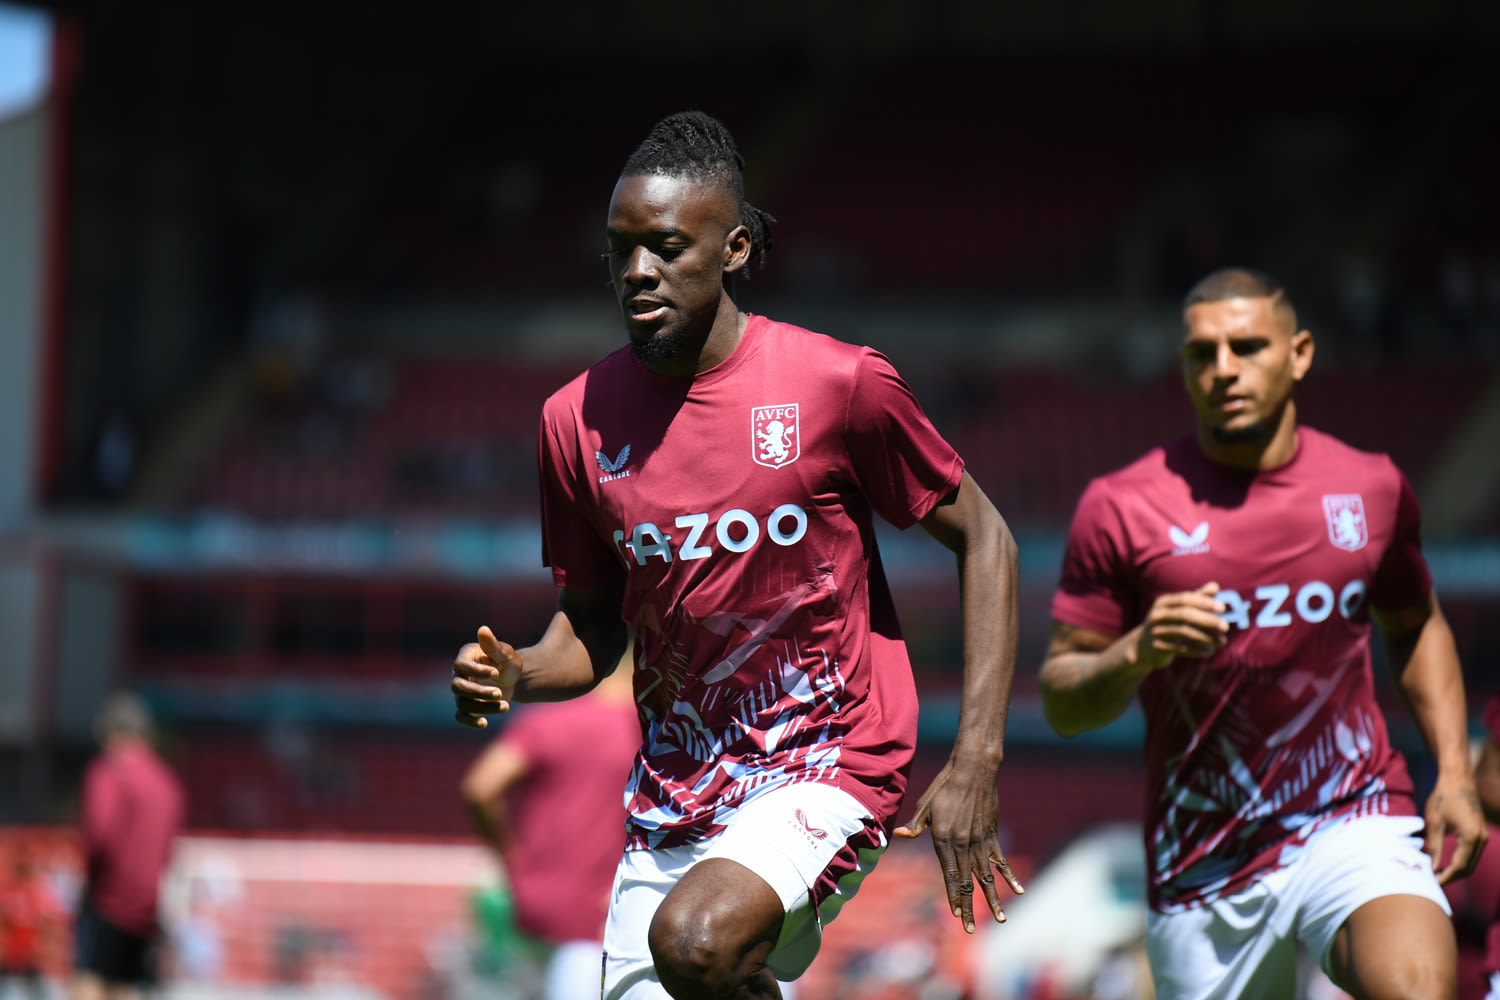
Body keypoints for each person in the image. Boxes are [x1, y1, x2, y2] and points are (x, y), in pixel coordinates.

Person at [450, 110, 1024, 1000]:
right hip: (675, 792)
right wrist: (519, 672)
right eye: (621, 249)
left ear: (738, 248)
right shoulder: (573, 422)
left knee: (694, 943)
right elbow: (594, 630)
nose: (639, 272)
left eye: (668, 247)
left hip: (830, 759)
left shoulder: (839, 386)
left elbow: (985, 537)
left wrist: (976, 758)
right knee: (692, 957)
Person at [1039, 267, 1487, 1000]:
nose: (1223, 370)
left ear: (1301, 353)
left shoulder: (1371, 486)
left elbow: (1415, 622)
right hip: (1203, 856)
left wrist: (1455, 777)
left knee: (1415, 986)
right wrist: (1138, 649)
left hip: (1351, 810)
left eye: (1247, 347)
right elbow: (1063, 701)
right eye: (1201, 353)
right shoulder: (1120, 505)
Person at [459, 649, 640, 999]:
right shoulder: (644, 727)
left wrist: (509, 858)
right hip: (601, 918)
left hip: (531, 906)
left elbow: (481, 787)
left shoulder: (546, 719)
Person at [72, 693, 185, 1000]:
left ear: (112, 732)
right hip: (148, 906)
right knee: (126, 987)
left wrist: (87, 892)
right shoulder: (167, 781)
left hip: (109, 900)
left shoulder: (109, 772)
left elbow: (98, 835)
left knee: (90, 982)